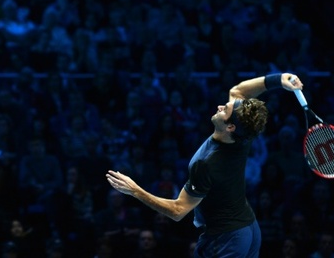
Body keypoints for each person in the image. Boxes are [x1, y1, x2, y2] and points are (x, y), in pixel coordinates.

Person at [106, 73, 304, 258]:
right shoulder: (244, 135)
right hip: (250, 229)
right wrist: (278, 79)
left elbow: (178, 210)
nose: (220, 106)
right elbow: (238, 91)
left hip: (226, 239)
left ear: (230, 126)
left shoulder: (207, 164)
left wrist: (135, 190)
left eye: (225, 109)